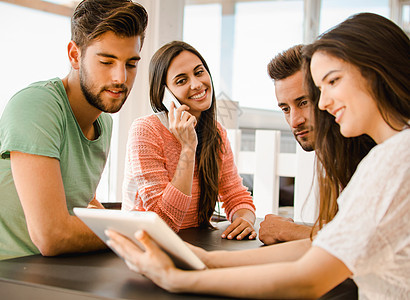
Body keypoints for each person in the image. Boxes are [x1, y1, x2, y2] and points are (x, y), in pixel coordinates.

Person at [106, 13, 410, 299]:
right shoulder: (390, 156)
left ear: (376, 72)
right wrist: (208, 260)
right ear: (164, 94)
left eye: (330, 83)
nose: (324, 103)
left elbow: (309, 275)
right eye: (181, 80)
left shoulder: (391, 161)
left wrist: (178, 278)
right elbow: (324, 246)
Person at [0, 0, 148, 262]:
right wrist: (136, 231)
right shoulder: (37, 106)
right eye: (107, 61)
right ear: (74, 55)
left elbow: (82, 202)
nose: (120, 78)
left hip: (43, 268)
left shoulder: (103, 121)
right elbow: (52, 235)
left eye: (131, 64)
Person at [122, 41, 256, 240]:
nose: (196, 84)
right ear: (165, 94)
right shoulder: (146, 130)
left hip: (197, 243)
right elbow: (162, 222)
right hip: (147, 244)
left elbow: (236, 195)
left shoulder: (216, 132)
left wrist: (244, 219)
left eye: (199, 72)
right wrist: (188, 148)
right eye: (181, 80)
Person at [260, 45, 375, 245]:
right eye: (285, 109)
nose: (295, 121)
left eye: (303, 102)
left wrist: (289, 230)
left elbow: (363, 241)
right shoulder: (334, 154)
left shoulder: (370, 152)